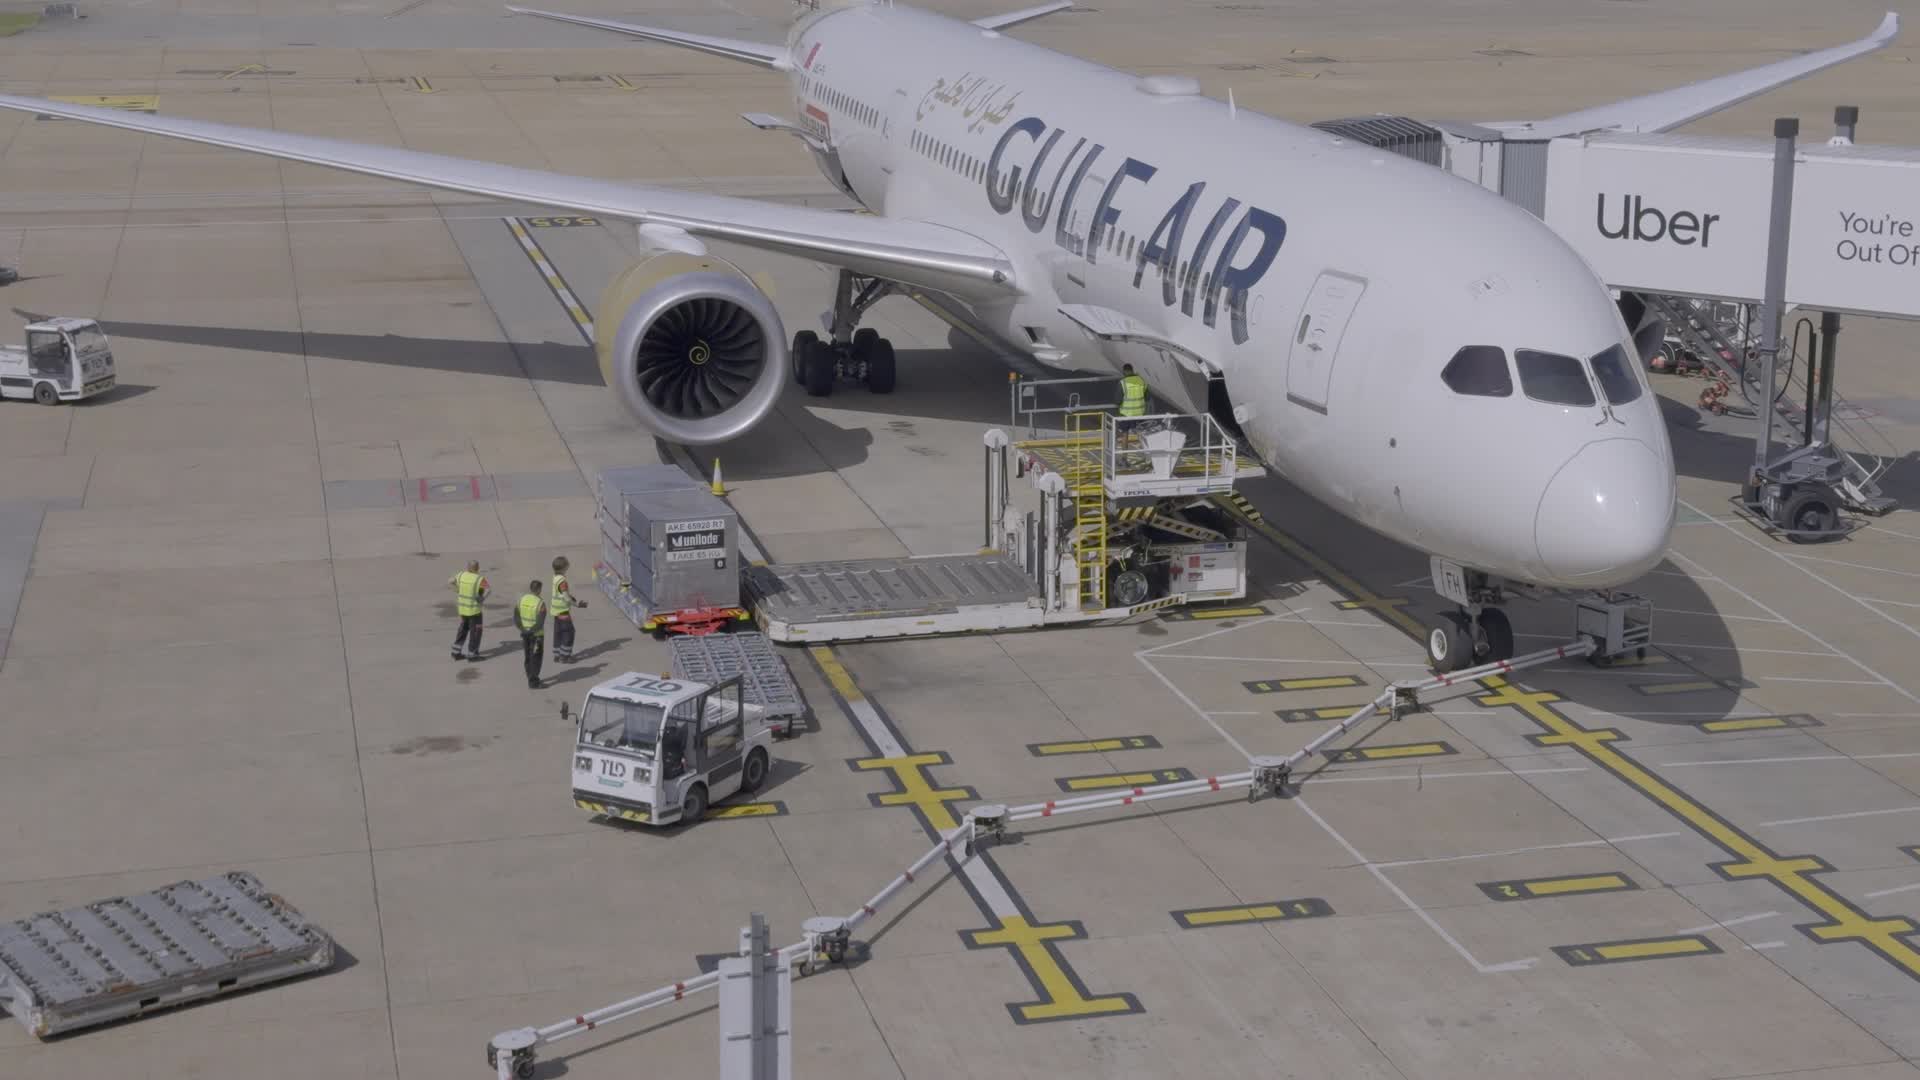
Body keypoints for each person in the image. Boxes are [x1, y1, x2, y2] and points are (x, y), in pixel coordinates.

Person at [448, 560, 489, 661]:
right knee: (475, 633)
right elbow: (488, 589)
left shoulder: (461, 575)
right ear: (477, 568)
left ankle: (456, 652)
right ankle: (472, 655)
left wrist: (457, 590)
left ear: (467, 567)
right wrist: (482, 598)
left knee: (462, 630)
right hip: (474, 611)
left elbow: (450, 581)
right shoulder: (479, 579)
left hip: (463, 610)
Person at [550, 555, 587, 662]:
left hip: (556, 612)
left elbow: (560, 594)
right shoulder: (562, 582)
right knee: (569, 633)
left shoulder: (555, 578)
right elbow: (566, 598)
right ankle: (565, 656)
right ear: (564, 568)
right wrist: (578, 604)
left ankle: (557, 655)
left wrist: (570, 596)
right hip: (563, 612)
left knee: (558, 633)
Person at [515, 579, 547, 689]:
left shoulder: (522, 600)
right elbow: (540, 622)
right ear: (538, 590)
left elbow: (516, 617)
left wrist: (523, 629)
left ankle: (530, 676)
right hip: (536, 635)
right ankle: (533, 682)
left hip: (525, 634)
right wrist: (531, 630)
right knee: (536, 657)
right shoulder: (540, 603)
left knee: (528, 656)